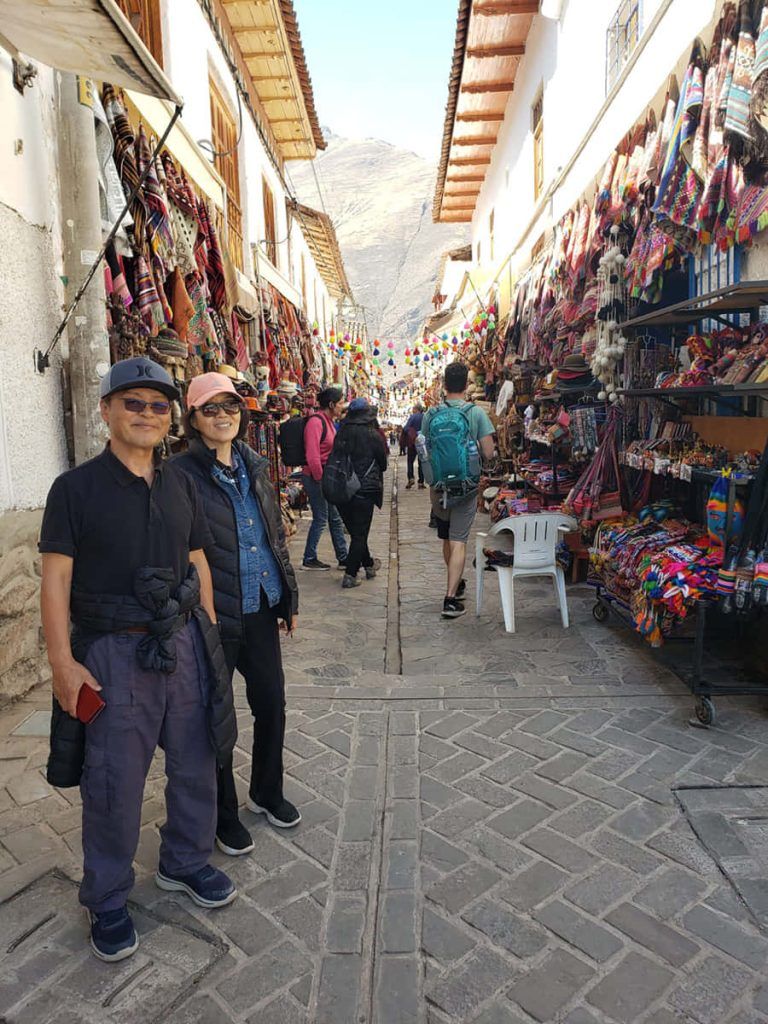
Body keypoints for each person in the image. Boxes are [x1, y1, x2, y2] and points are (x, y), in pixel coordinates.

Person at [39, 357, 237, 964]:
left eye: (158, 405)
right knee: (114, 781)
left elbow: (198, 560)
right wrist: (62, 664)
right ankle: (106, 896)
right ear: (106, 410)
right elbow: (55, 579)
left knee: (197, 760)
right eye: (133, 402)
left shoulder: (181, 482)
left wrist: (207, 633)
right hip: (113, 651)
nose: (147, 414)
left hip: (182, 640)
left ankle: (185, 860)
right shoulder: (74, 489)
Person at [172, 372, 301, 855]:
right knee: (216, 715)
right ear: (193, 418)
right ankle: (222, 813)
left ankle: (267, 792)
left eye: (230, 406)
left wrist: (287, 598)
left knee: (271, 703)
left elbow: (272, 536)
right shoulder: (180, 474)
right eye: (210, 408)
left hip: (261, 606)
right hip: (214, 614)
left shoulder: (253, 463)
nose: (223, 415)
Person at [422, 362, 495, 619]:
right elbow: (489, 452)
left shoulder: (430, 414)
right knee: (459, 541)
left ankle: (456, 582)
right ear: (466, 385)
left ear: (444, 384)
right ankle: (450, 599)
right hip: (465, 488)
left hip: (438, 488)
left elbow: (425, 449)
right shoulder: (475, 413)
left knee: (446, 537)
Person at [331, 398, 389, 589]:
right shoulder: (373, 435)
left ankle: (369, 565)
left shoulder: (341, 432)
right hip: (365, 489)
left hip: (342, 488)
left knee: (357, 533)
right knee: (360, 534)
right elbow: (383, 464)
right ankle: (350, 574)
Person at [301, 387, 349, 571]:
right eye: (340, 403)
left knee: (335, 518)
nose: (342, 406)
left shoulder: (329, 422)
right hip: (316, 478)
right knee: (321, 518)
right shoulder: (316, 422)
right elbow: (313, 456)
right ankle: (309, 558)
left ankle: (343, 558)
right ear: (331, 404)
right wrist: (321, 481)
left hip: (325, 477)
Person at [403, 403, 425, 489]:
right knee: (421, 462)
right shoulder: (424, 417)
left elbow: (406, 428)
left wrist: (412, 433)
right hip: (422, 443)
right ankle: (421, 482)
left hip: (412, 442)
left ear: (416, 409)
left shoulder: (413, 417)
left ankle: (411, 478)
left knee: (410, 461)